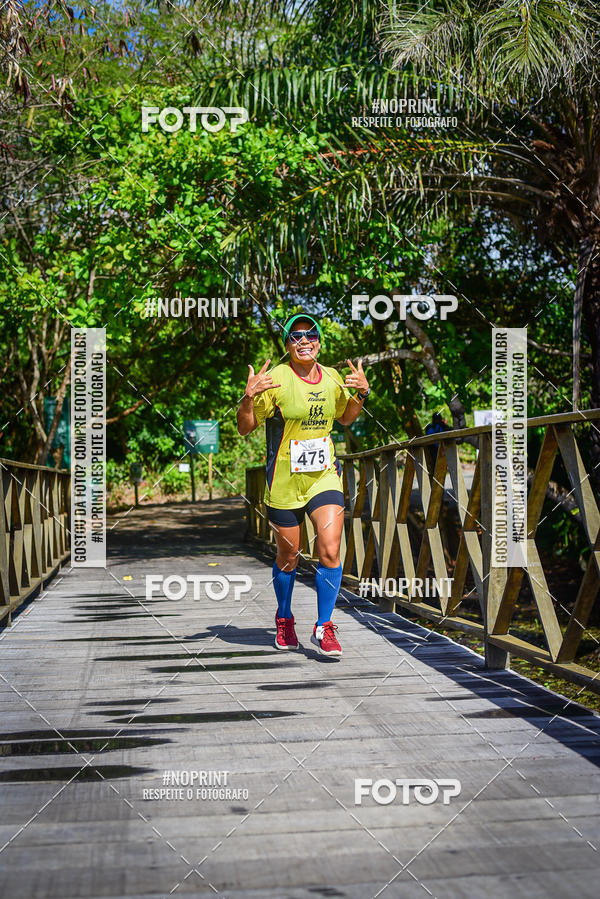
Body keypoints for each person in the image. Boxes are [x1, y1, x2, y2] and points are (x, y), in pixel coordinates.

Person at [236, 312, 370, 658]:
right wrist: (248, 398)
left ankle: (324, 625)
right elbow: (245, 428)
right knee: (288, 556)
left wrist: (362, 394)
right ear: (287, 345)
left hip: (324, 476)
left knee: (330, 549)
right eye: (295, 336)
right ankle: (284, 617)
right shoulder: (277, 379)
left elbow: (345, 418)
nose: (304, 340)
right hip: (284, 480)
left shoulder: (333, 377)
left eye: (311, 334)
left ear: (319, 342)